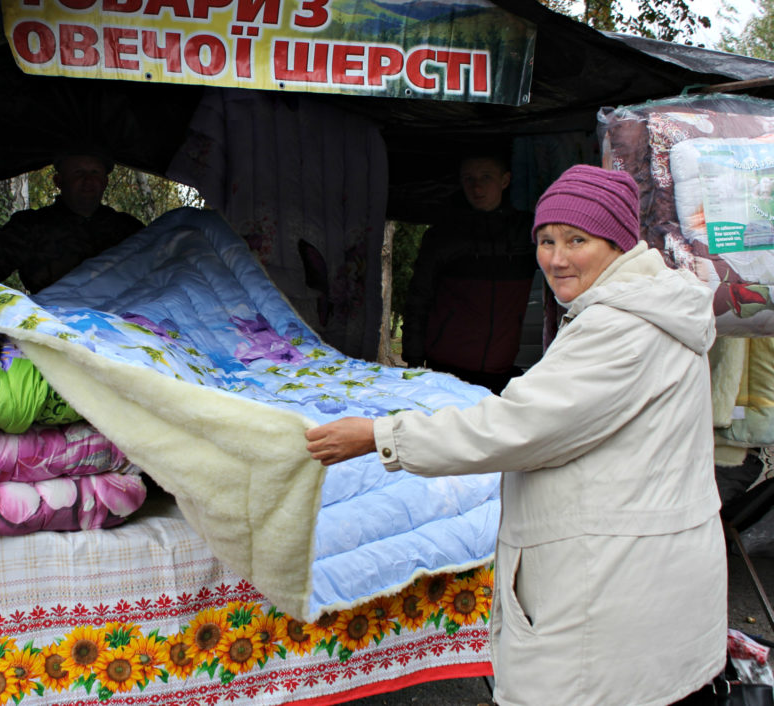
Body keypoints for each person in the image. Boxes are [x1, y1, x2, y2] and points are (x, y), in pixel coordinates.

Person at [306, 165, 727, 705]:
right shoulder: (650, 307)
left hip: (614, 590)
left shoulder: (622, 326)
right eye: (547, 240)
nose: (557, 257)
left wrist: (381, 435)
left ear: (619, 243)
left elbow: (516, 427)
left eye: (578, 240)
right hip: (647, 574)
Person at [0, 151, 143, 293]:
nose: (88, 180)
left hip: (122, 324)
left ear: (105, 182)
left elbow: (162, 265)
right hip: (54, 325)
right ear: (59, 181)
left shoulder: (127, 229)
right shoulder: (32, 226)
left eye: (95, 173)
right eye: (78, 173)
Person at [401, 151, 537, 394]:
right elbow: (418, 298)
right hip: (446, 366)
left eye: (486, 177)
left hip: (503, 366)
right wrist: (413, 358)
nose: (477, 187)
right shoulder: (443, 235)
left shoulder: (527, 232)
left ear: (505, 180)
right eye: (468, 179)